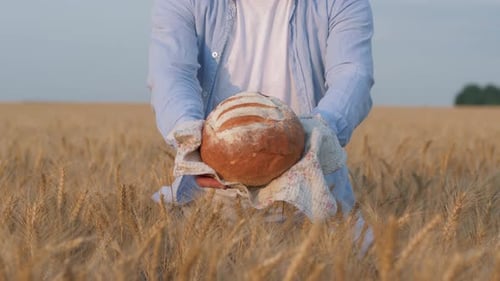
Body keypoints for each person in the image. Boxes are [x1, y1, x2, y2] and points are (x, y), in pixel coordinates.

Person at [148, 0, 374, 224]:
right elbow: (172, 74)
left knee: (358, 253)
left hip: (314, 200)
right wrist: (191, 140)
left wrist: (315, 136)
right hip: (206, 205)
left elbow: (352, 75)